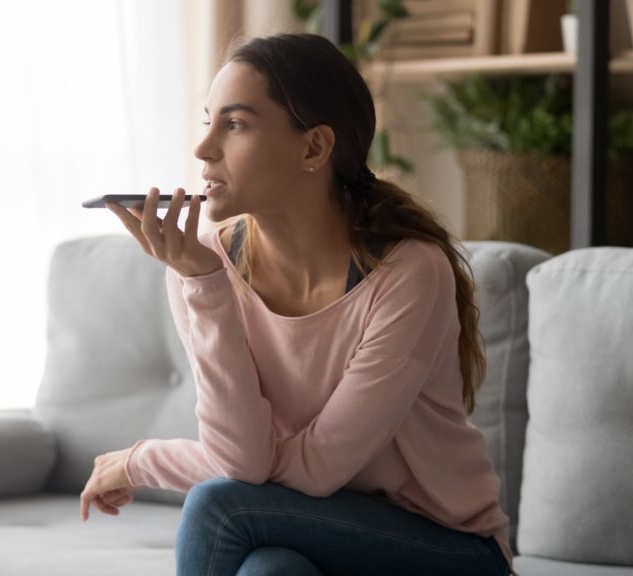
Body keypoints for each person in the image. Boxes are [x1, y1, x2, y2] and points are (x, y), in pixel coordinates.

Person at [80, 32, 517, 576]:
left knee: (218, 506)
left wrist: (142, 461)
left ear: (313, 148)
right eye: (208, 121)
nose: (204, 148)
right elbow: (241, 458)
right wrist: (204, 283)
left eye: (235, 124)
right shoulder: (205, 264)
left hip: (447, 550)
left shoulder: (407, 273)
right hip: (309, 525)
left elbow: (314, 469)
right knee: (270, 571)